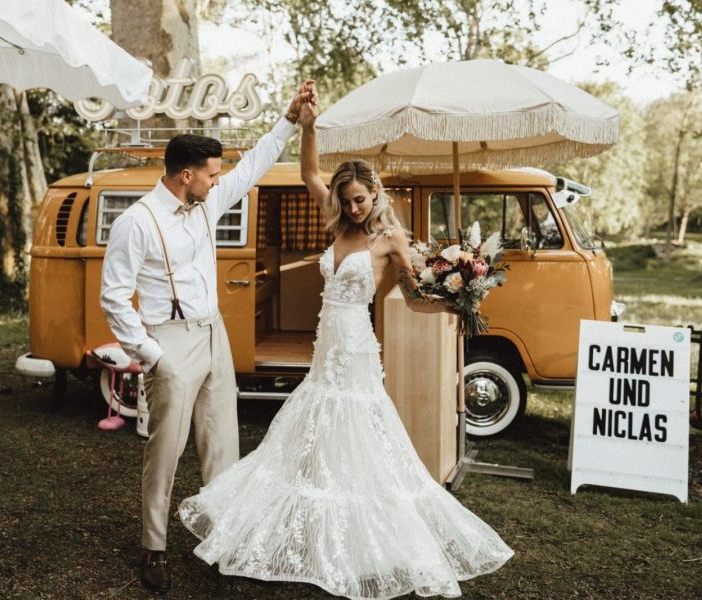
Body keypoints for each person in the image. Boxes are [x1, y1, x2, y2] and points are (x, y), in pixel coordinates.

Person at [179, 84, 513, 599]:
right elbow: (310, 174)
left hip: (356, 346)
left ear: (375, 194)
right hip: (326, 344)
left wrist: (458, 300)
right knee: (314, 433)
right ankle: (316, 531)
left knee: (357, 430)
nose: (354, 207)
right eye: (347, 200)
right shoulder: (337, 222)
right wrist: (309, 126)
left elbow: (416, 297)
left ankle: (366, 539)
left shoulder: (391, 239)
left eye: (360, 199)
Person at [99, 82, 313, 595]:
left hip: (213, 334)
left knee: (222, 442)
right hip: (168, 342)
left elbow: (253, 165)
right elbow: (113, 298)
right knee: (166, 450)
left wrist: (288, 119)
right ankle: (154, 547)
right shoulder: (136, 223)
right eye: (211, 174)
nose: (218, 181)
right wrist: (153, 357)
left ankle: (225, 539)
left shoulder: (205, 204)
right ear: (186, 175)